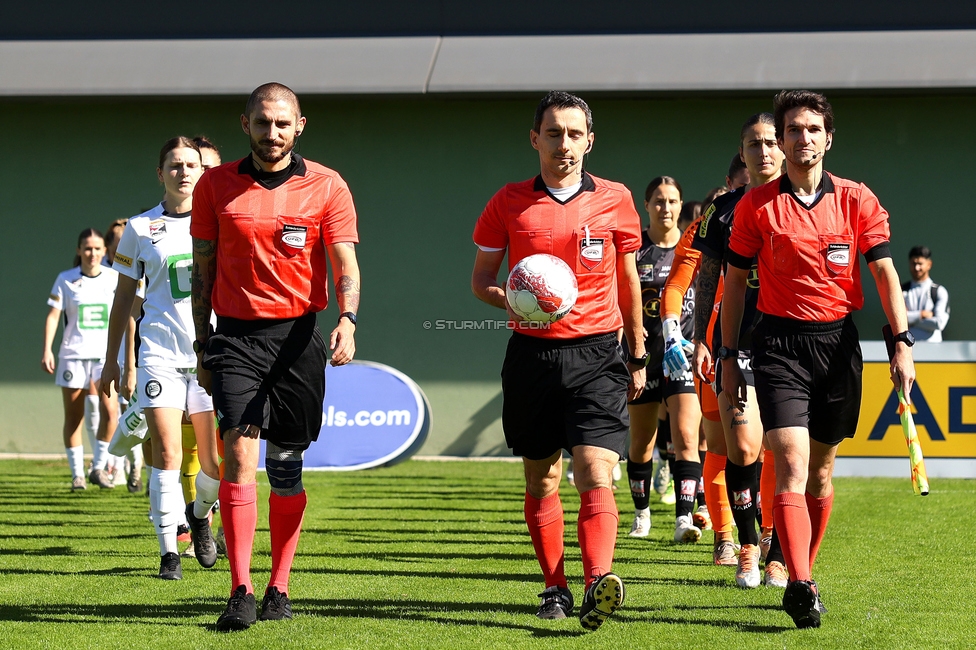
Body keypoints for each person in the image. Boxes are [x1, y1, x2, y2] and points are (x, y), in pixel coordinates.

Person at [720, 90, 915, 628]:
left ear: (828, 138)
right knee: (790, 464)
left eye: (812, 129)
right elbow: (735, 282)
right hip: (778, 344)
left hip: (838, 346)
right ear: (780, 143)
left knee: (822, 475)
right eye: (793, 130)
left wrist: (901, 342)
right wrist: (731, 352)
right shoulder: (755, 206)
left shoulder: (857, 200)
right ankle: (801, 584)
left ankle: (796, 561)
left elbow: (884, 274)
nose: (802, 138)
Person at [191, 82, 361, 632]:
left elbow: (345, 266)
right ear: (246, 125)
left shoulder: (328, 185)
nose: (272, 133)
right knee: (240, 455)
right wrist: (202, 341)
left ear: (299, 126)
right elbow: (202, 270)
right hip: (235, 338)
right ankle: (239, 589)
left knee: (286, 467)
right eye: (263, 122)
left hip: (299, 340)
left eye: (282, 123)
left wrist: (348, 319)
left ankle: (278, 585)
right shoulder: (215, 185)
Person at [471, 91, 644, 632]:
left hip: (598, 352)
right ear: (535, 138)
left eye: (574, 134)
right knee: (542, 478)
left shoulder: (615, 199)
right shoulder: (508, 202)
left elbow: (629, 280)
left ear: (589, 141)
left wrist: (637, 351)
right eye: (554, 133)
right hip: (532, 355)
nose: (564, 144)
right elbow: (480, 282)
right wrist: (516, 297)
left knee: (596, 471)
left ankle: (598, 582)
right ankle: (555, 585)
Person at [102, 137, 222, 581]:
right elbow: (121, 299)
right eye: (175, 165)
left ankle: (200, 514)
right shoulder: (139, 227)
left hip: (209, 355)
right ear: (161, 173)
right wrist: (114, 359)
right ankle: (168, 554)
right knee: (167, 454)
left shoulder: (221, 223)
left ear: (201, 170)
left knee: (213, 464)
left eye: (191, 165)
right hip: (158, 356)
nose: (184, 172)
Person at [692, 114, 789, 590]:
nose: (765, 150)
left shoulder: (803, 203)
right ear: (742, 151)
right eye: (755, 143)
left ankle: (775, 545)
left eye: (772, 142)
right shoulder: (723, 210)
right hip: (736, 345)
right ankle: (747, 546)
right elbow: (705, 276)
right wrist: (699, 340)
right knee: (744, 447)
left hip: (791, 345)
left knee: (780, 449)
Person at [625, 176, 703, 545]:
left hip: (682, 359)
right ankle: (642, 514)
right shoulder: (634, 250)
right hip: (643, 360)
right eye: (658, 201)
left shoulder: (693, 249)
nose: (666, 208)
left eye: (673, 201)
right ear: (646, 206)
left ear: (681, 205)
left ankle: (683, 519)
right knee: (641, 443)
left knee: (687, 436)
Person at [659, 207, 736, 565]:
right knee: (708, 442)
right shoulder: (706, 226)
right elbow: (676, 284)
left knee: (768, 446)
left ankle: (766, 535)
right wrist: (671, 332)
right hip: (706, 348)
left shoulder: (780, 208)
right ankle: (723, 535)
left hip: (766, 345)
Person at [42, 229, 119, 490]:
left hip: (104, 358)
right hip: (73, 357)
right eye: (87, 248)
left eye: (98, 248)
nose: (93, 253)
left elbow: (125, 313)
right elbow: (53, 315)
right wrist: (47, 349)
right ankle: (77, 475)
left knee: (110, 412)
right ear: (79, 251)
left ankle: (98, 467)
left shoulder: (113, 277)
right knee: (74, 417)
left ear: (105, 251)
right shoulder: (65, 279)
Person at [903, 246, 949, 342]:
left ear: (929, 264)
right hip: (908, 350)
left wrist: (910, 320)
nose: (917, 268)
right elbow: (895, 319)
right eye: (913, 263)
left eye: (920, 264)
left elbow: (939, 323)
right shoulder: (901, 291)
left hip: (933, 351)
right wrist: (921, 315)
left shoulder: (938, 291)